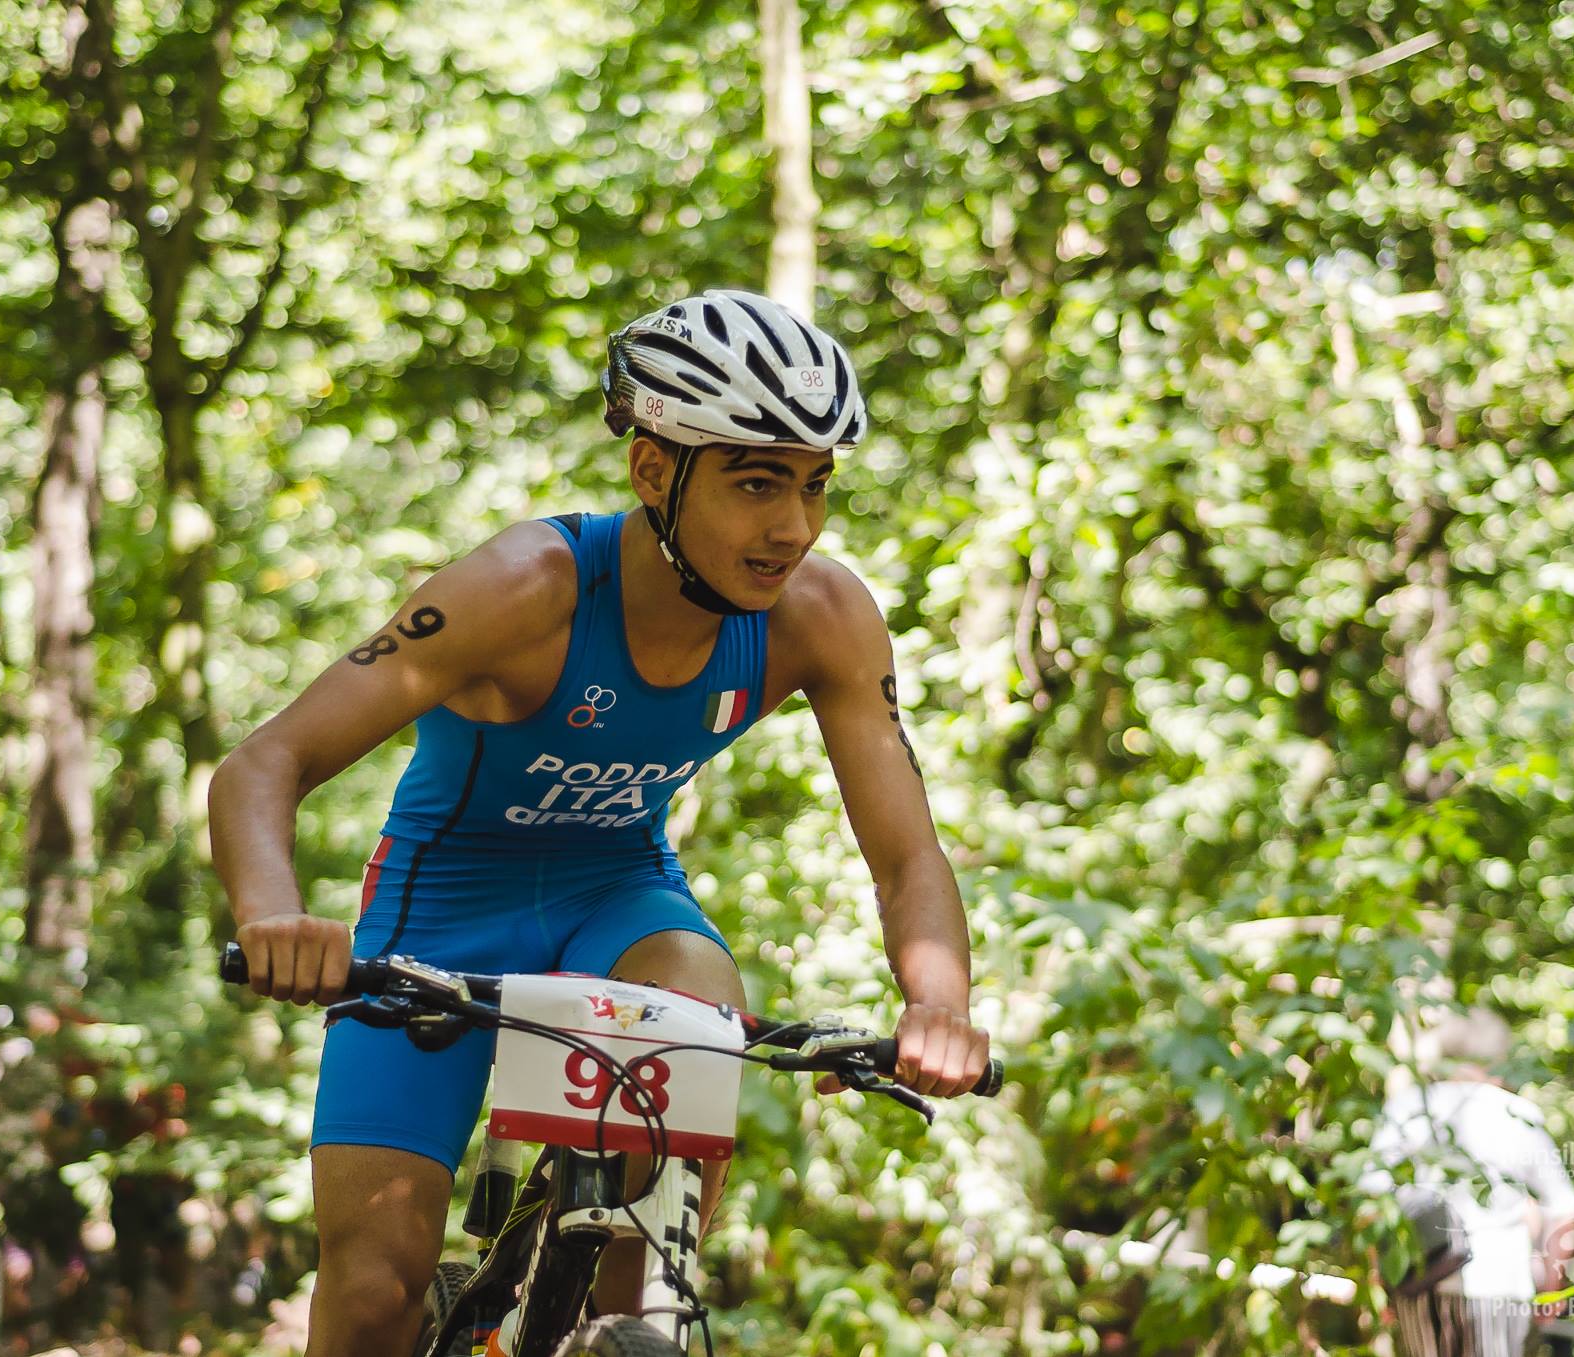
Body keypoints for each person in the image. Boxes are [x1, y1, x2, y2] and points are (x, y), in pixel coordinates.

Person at [212, 289, 992, 1357]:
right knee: (372, 1298)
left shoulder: (822, 614)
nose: (793, 528)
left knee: (693, 1020)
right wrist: (273, 915)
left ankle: (619, 1324)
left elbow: (906, 851)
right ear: (652, 471)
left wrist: (935, 1004)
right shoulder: (522, 588)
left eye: (814, 487)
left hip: (616, 894)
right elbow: (264, 762)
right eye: (756, 482)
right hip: (436, 912)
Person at [1366, 1008, 1574, 1357]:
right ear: (1497, 1059)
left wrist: (1382, 1280)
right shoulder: (1516, 1113)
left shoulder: (1406, 1107)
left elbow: (1374, 1204)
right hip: (1501, 1283)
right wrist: (1552, 1291)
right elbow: (1564, 1208)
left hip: (1420, 1281)